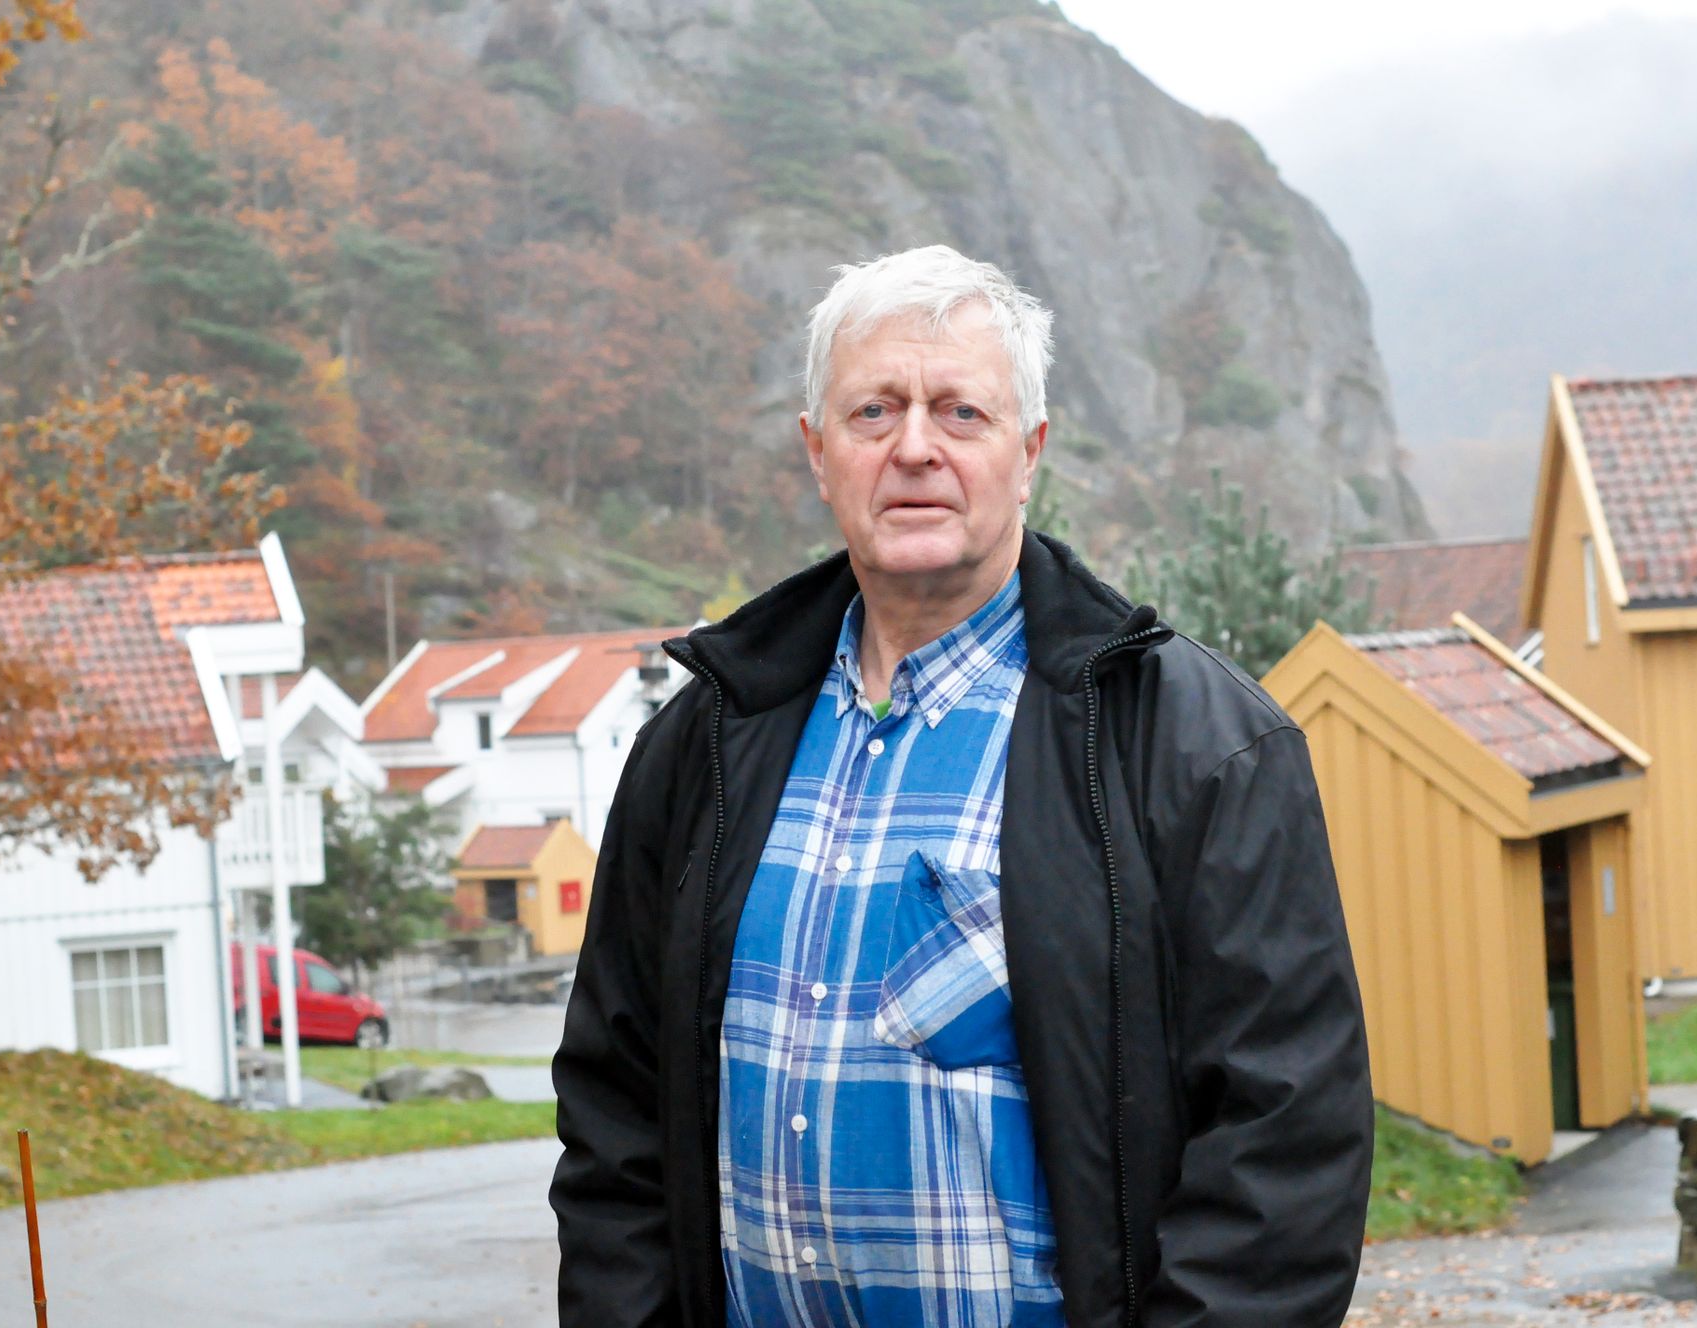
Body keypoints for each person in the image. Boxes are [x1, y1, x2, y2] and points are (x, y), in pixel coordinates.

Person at [552, 244, 1373, 1327]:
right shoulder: (703, 745)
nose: (914, 449)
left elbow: (1285, 1142)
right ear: (816, 451)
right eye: (873, 412)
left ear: (1027, 450)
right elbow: (617, 1114)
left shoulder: (1191, 746)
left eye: (960, 413)